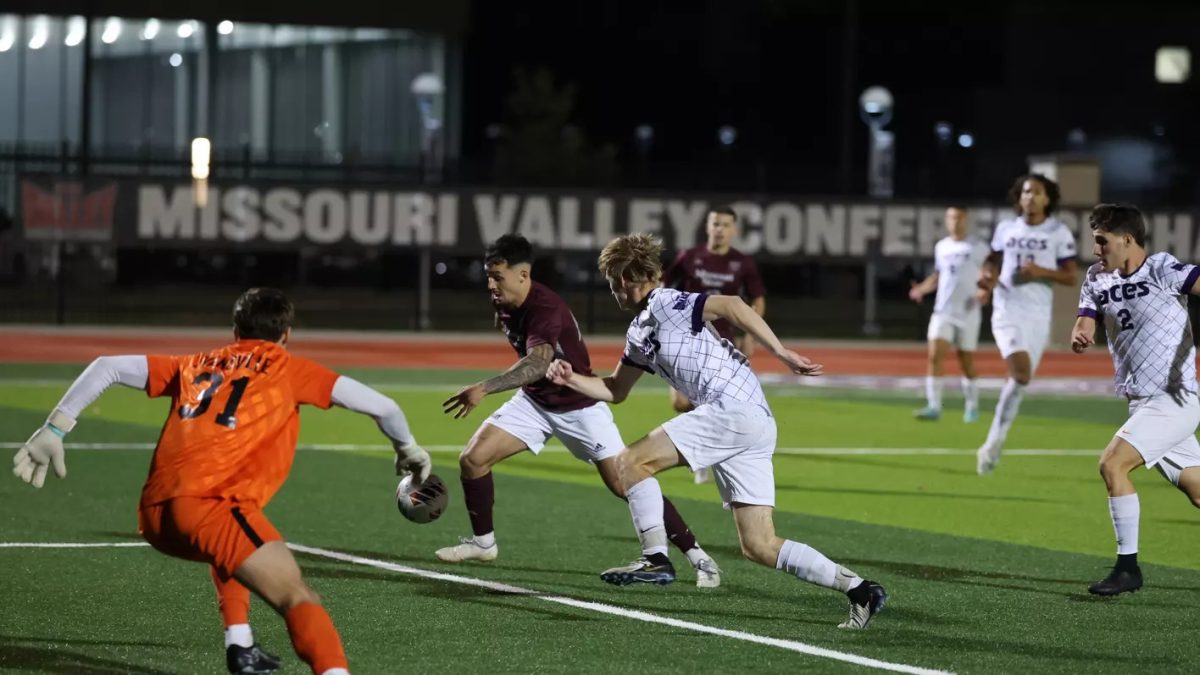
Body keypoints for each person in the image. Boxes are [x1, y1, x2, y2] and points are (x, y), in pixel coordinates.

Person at [11, 288, 432, 675]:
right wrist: (408, 448)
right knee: (296, 595)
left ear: (235, 331)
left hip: (156, 515)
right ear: (286, 334)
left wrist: (55, 429)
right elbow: (384, 407)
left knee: (232, 545)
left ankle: (240, 644)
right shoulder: (289, 368)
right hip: (209, 506)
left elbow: (106, 367)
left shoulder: (191, 364)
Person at [547, 233, 887, 629]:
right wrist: (572, 379)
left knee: (628, 463)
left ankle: (655, 558)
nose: (611, 292)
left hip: (732, 410)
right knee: (759, 545)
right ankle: (860, 589)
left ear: (625, 278)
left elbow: (734, 305)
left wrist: (782, 354)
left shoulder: (668, 302)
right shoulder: (640, 329)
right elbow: (614, 390)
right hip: (753, 422)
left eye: (611, 282)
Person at [438, 234, 720, 587]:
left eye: (498, 277)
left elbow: (539, 364)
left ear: (523, 275)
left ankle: (698, 556)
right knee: (473, 459)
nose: (491, 284)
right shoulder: (507, 300)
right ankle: (484, 544)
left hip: (579, 406)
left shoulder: (545, 309)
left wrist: (484, 388)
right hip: (535, 402)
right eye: (488, 276)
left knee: (626, 481)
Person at [1071, 203, 1200, 596]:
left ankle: (1128, 569)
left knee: (1112, 465)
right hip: (1142, 402)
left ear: (1127, 239)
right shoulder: (1096, 278)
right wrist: (1081, 332)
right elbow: (1085, 318)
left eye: (1101, 240)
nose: (1096, 249)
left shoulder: (1162, 268)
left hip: (1174, 398)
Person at [975, 174, 1078, 474]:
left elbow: (1071, 276)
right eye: (1025, 192)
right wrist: (986, 279)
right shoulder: (1006, 228)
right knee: (1019, 372)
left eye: (1037, 192)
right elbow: (992, 260)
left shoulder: (1058, 232)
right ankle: (993, 441)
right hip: (1007, 308)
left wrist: (1040, 271)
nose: (1030, 197)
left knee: (1020, 382)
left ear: (1048, 199)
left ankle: (993, 443)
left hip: (1037, 314)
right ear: (1018, 197)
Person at [662, 205, 765, 483]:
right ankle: (703, 445)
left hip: (721, 341)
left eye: (724, 224)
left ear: (734, 230)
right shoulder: (689, 257)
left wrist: (751, 333)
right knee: (681, 402)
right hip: (684, 336)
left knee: (715, 399)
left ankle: (702, 454)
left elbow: (756, 300)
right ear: (707, 227)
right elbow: (663, 285)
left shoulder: (742, 263)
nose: (719, 229)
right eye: (715, 223)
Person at [908, 206, 989, 422]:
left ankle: (972, 407)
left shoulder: (978, 246)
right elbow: (937, 275)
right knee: (934, 356)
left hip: (968, 312)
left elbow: (987, 272)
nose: (955, 222)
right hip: (942, 311)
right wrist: (921, 289)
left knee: (966, 361)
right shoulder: (941, 247)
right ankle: (934, 406)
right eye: (952, 218)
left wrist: (984, 289)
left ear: (966, 220)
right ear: (946, 221)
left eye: (960, 218)